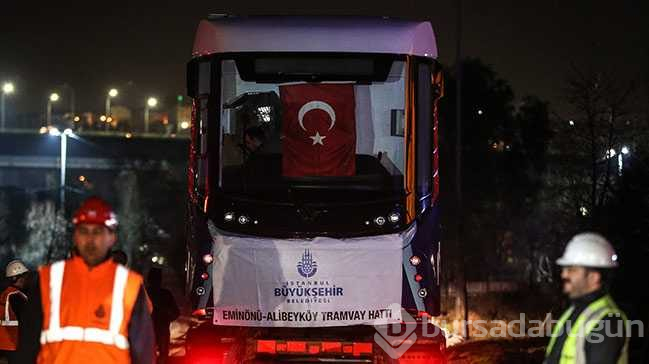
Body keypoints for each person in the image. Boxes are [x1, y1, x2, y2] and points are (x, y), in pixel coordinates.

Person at [18, 196, 155, 364]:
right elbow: (27, 348)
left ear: (112, 237)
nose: (90, 239)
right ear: (75, 236)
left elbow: (144, 354)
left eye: (97, 231)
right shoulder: (49, 281)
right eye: (84, 231)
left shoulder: (128, 286)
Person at [544, 232, 629, 364]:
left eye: (572, 270)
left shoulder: (607, 323)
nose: (563, 274)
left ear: (593, 278)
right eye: (565, 269)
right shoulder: (575, 310)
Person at [146, 267, 179, 364]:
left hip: (148, 331)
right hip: (161, 330)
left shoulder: (143, 293)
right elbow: (175, 313)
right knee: (163, 356)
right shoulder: (165, 294)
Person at [0, 260, 29, 363]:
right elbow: (28, 322)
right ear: (18, 278)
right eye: (25, 277)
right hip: (15, 347)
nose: (26, 280)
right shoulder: (17, 296)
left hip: (3, 348)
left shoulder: (4, 295)